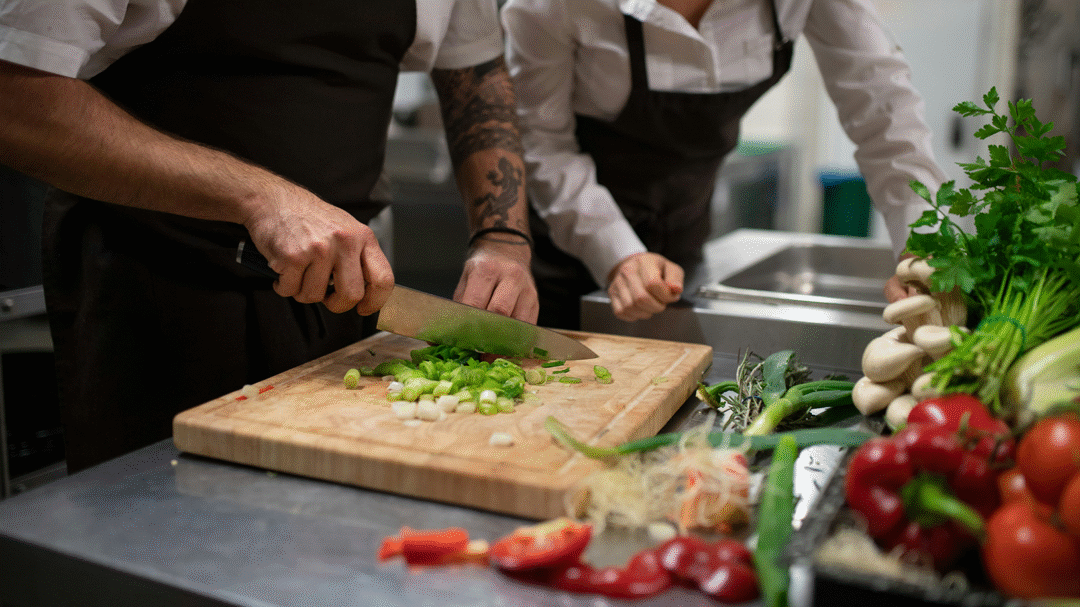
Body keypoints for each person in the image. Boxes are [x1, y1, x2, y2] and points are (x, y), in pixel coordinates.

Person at [0, 0, 538, 472]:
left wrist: (503, 236)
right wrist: (259, 197)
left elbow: (476, 75)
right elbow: (15, 99)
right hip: (153, 294)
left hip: (337, 299)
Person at [502, 0, 949, 329]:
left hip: (685, 244)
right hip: (563, 255)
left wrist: (921, 249)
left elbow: (884, 111)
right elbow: (542, 142)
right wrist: (617, 252)